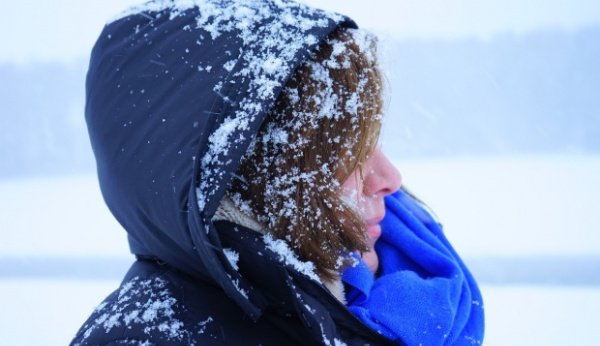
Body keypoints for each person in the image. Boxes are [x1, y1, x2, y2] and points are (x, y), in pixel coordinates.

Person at [71, 0, 484, 345]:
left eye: (372, 141)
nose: (389, 178)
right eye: (345, 153)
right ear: (255, 178)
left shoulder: (402, 283)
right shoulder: (151, 337)